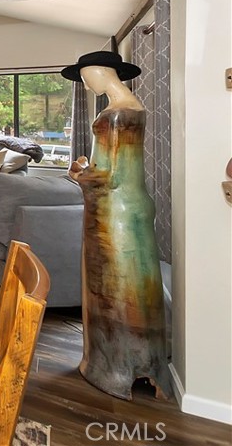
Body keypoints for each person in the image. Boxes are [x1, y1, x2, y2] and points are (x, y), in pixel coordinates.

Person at [62, 51, 170, 400]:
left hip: (115, 212)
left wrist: (79, 173)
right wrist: (87, 169)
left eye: (85, 77)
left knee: (115, 289)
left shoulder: (120, 112)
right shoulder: (128, 107)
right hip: (123, 207)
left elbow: (110, 175)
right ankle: (125, 360)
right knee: (122, 288)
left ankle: (116, 365)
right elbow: (111, 168)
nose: (85, 83)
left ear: (98, 72)